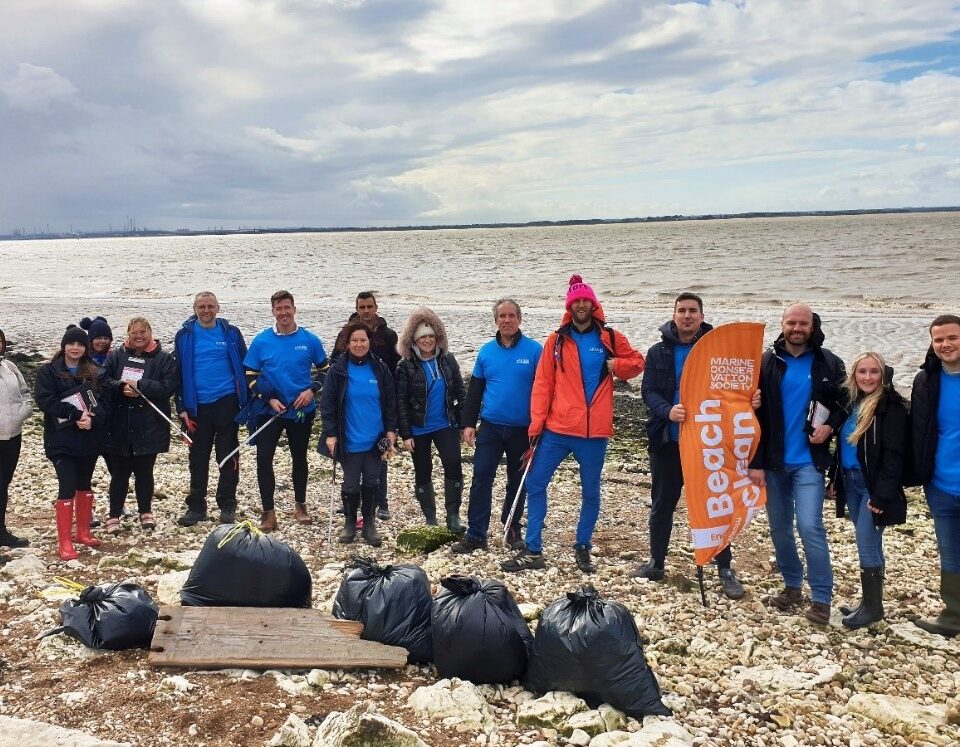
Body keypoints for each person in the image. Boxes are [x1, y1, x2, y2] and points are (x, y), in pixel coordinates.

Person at [501, 275, 645, 574]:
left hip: (593, 435)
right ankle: (533, 549)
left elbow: (637, 363)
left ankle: (582, 545)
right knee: (535, 483)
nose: (581, 304)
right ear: (570, 305)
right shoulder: (556, 340)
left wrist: (616, 365)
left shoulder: (610, 338)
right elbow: (543, 384)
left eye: (585, 300)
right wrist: (536, 426)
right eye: (576, 301)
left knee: (591, 491)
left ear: (593, 304)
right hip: (557, 430)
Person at [631, 293, 745, 599]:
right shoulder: (658, 352)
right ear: (674, 315)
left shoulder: (719, 350)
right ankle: (656, 562)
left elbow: (736, 390)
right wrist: (668, 410)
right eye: (682, 310)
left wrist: (751, 400)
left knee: (716, 507)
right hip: (668, 441)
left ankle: (724, 568)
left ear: (702, 315)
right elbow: (649, 391)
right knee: (662, 503)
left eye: (693, 311)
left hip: (709, 444)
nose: (687, 316)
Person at [748, 303, 848, 625]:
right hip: (774, 463)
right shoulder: (767, 361)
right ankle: (792, 586)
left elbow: (846, 403)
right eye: (791, 322)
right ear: (782, 324)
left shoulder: (828, 362)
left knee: (810, 527)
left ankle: (821, 598)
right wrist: (755, 460)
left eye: (803, 323)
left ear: (811, 325)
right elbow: (752, 413)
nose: (797, 328)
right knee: (779, 529)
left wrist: (831, 426)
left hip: (809, 462)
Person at [452, 298, 542, 553]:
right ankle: (476, 534)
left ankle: (512, 528)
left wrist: (541, 425)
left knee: (518, 480)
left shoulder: (535, 351)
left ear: (519, 319)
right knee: (481, 478)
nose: (507, 320)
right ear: (495, 321)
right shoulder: (486, 352)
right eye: (502, 316)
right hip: (490, 427)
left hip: (523, 430)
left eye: (511, 315)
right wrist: (468, 424)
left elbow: (545, 390)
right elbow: (475, 392)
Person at [826, 352, 908, 629]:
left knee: (867, 542)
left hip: (872, 487)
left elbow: (894, 457)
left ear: (883, 376)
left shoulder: (891, 407)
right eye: (862, 372)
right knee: (869, 542)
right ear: (854, 376)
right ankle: (871, 603)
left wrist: (881, 495)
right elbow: (844, 449)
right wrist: (835, 480)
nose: (868, 377)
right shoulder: (852, 403)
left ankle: (872, 608)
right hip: (851, 481)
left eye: (874, 372)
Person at [244, 290, 328, 532]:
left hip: (301, 410)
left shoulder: (310, 339)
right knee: (264, 459)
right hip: (270, 411)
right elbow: (249, 374)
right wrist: (267, 398)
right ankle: (268, 513)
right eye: (278, 309)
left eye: (287, 308)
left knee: (299, 458)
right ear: (273, 311)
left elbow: (324, 370)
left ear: (294, 309)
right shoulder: (261, 340)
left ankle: (300, 506)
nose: (283, 313)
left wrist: (312, 390)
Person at [34, 325, 108, 560]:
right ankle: (65, 541)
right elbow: (46, 401)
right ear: (64, 345)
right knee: (67, 485)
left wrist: (92, 421)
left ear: (85, 347)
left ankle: (83, 532)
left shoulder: (96, 371)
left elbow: (105, 404)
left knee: (84, 485)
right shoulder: (48, 372)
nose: (75, 348)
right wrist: (76, 415)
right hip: (61, 440)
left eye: (79, 344)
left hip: (88, 438)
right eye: (71, 343)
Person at [320, 321, 397, 546]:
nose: (359, 344)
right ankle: (350, 523)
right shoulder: (338, 370)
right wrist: (331, 434)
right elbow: (328, 405)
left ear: (369, 342)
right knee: (351, 483)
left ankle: (370, 523)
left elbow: (390, 402)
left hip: (376, 439)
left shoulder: (380, 369)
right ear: (347, 343)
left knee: (372, 481)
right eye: (354, 340)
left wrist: (392, 430)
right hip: (349, 438)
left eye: (363, 340)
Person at [174, 291, 248, 526]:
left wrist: (247, 400)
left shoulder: (231, 333)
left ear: (218, 308)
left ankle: (227, 504)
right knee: (197, 458)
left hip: (227, 401)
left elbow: (245, 366)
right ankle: (196, 507)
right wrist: (181, 406)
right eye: (201, 306)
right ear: (194, 309)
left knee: (227, 455)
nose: (206, 310)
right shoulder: (184, 335)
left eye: (210, 306)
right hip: (197, 406)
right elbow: (178, 373)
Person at [103, 317, 179, 533]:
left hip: (149, 424)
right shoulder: (116, 356)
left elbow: (168, 386)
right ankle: (113, 515)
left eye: (143, 332)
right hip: (119, 423)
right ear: (128, 334)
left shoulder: (164, 358)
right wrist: (120, 387)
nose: (138, 336)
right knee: (119, 473)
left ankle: (145, 512)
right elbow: (103, 380)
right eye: (134, 332)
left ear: (150, 333)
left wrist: (141, 386)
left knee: (145, 471)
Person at [395, 307, 466, 531]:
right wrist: (405, 434)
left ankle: (453, 516)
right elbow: (400, 402)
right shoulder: (405, 366)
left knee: (453, 464)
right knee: (422, 470)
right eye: (422, 337)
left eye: (431, 336)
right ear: (413, 340)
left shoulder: (448, 360)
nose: (427, 340)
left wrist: (465, 424)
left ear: (438, 338)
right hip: (419, 428)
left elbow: (460, 393)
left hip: (445, 424)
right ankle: (430, 518)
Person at [911, 314, 960, 637]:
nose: (946, 344)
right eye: (939, 339)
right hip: (940, 482)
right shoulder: (926, 380)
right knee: (950, 550)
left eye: (952, 337)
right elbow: (916, 428)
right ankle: (954, 614)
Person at [333, 291, 401, 521]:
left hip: (379, 398)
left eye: (369, 306)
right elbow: (335, 363)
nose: (365, 311)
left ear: (376, 307)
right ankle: (352, 502)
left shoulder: (389, 335)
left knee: (379, 453)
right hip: (352, 400)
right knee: (352, 456)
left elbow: (396, 366)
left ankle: (381, 502)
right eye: (361, 307)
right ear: (356, 308)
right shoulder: (346, 334)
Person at [0, 328, 34, 547]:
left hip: (12, 434)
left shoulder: (9, 367)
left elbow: (26, 393)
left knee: (4, 484)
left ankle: (1, 530)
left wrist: (24, 412)